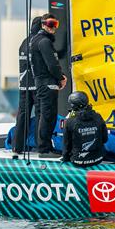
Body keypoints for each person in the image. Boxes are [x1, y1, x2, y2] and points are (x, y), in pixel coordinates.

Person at [30, 13, 67, 158]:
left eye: (55, 24)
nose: (53, 28)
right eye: (51, 24)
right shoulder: (44, 42)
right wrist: (61, 78)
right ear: (43, 24)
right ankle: (44, 150)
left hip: (43, 83)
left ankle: (45, 147)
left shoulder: (38, 40)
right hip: (47, 84)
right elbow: (52, 65)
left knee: (45, 116)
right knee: (48, 116)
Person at [12, 16, 42, 155]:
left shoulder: (23, 43)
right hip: (36, 85)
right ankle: (39, 144)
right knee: (40, 114)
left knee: (22, 114)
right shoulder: (38, 42)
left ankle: (17, 146)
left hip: (23, 85)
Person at [62, 91, 108, 167]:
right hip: (98, 159)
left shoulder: (70, 122)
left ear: (74, 106)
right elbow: (105, 139)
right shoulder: (98, 117)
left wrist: (65, 159)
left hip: (78, 161)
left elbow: (66, 146)